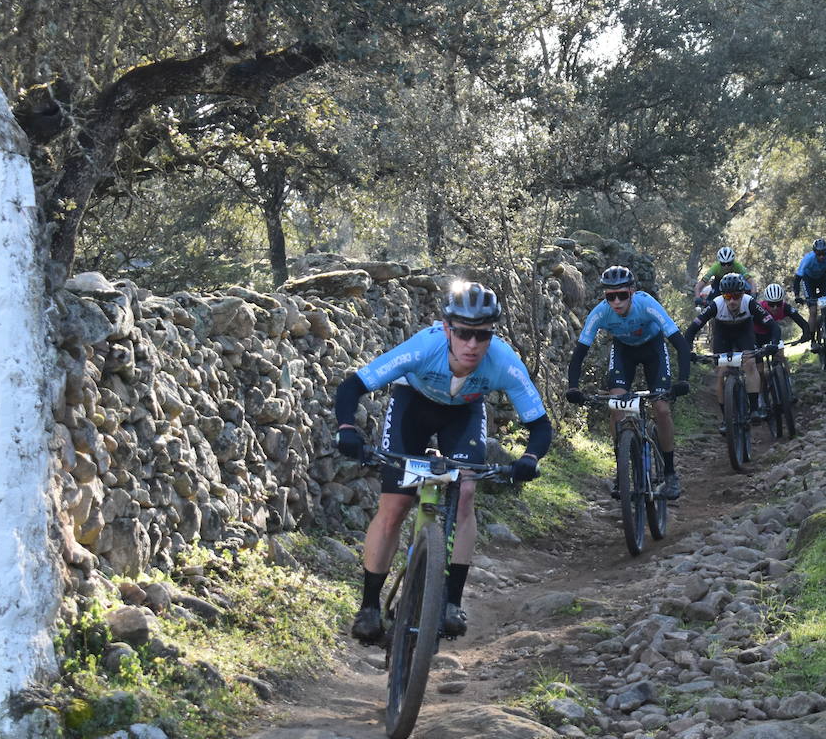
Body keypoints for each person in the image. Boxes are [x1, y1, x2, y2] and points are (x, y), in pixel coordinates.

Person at [334, 282, 552, 645]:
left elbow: (540, 425)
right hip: (412, 406)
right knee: (395, 505)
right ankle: (369, 606)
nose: (473, 344)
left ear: (491, 335)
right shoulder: (425, 345)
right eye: (464, 333)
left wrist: (529, 458)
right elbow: (352, 386)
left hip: (463, 413)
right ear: (448, 328)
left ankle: (451, 602)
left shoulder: (504, 362)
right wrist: (346, 429)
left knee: (465, 491)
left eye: (482, 335)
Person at [564, 265, 692, 499]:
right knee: (617, 406)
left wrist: (683, 380)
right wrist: (573, 386)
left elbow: (680, 344)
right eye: (610, 296)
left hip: (654, 349)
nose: (616, 302)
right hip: (624, 352)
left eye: (622, 295)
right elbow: (579, 353)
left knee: (661, 409)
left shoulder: (647, 304)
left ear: (632, 291)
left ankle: (671, 473)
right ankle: (622, 466)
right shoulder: (600, 313)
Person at [686, 273, 780, 428]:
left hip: (744, 332)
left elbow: (773, 325)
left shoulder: (750, 302)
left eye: (736, 296)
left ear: (743, 294)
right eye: (728, 296)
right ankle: (726, 418)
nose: (732, 301)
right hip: (723, 335)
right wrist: (688, 349)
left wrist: (774, 343)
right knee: (721, 372)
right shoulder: (716, 304)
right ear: (722, 295)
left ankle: (754, 409)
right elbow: (692, 329)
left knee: (750, 364)